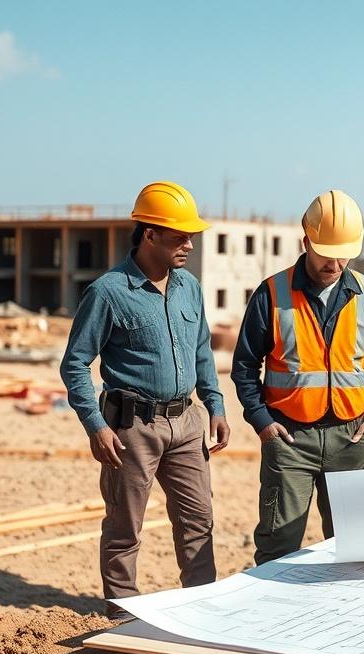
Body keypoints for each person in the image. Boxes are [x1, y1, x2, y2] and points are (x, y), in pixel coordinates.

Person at [60, 180, 230, 618]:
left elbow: (201, 351)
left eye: (191, 235)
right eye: (179, 236)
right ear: (149, 234)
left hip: (187, 423)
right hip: (131, 429)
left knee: (198, 524)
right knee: (124, 528)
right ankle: (123, 616)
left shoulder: (189, 287)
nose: (189, 244)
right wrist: (96, 427)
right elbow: (75, 364)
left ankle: (202, 611)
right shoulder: (108, 292)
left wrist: (216, 404)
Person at [231, 189, 364, 564]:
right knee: (278, 545)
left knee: (354, 545)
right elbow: (244, 367)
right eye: (326, 252)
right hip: (289, 437)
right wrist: (262, 423)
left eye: (344, 254)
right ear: (305, 241)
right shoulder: (272, 293)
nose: (336, 263)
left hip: (353, 437)